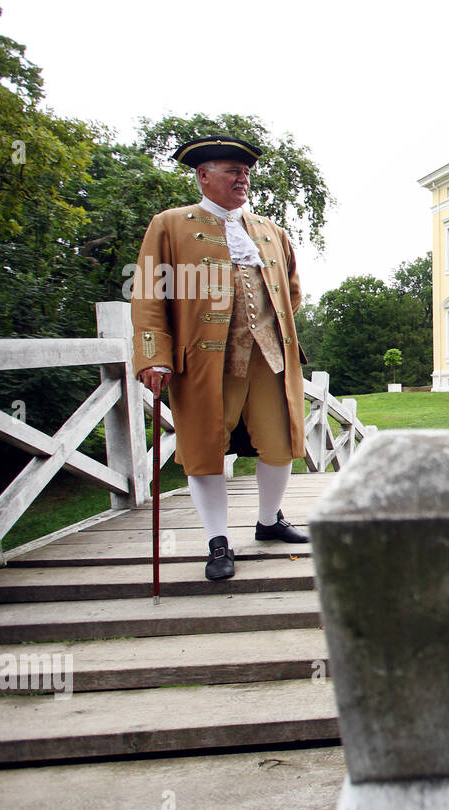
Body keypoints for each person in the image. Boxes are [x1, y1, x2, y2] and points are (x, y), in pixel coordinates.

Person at [132, 134, 308, 582]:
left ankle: (269, 521)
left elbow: (292, 293)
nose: (242, 178)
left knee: (281, 442)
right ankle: (217, 542)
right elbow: (150, 295)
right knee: (205, 450)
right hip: (204, 362)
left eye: (246, 171)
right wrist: (154, 356)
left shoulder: (272, 232)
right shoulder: (169, 225)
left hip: (271, 358)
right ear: (203, 175)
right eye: (232, 170)